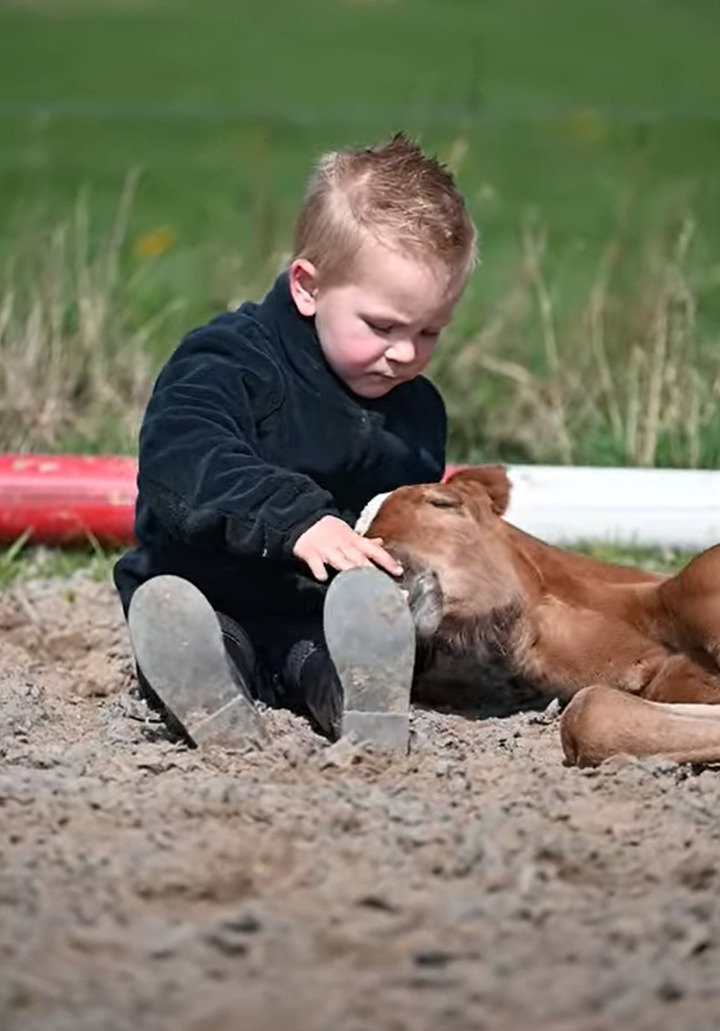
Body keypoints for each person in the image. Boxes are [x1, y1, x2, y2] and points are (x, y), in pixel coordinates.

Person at [114, 132, 477, 753]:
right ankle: (207, 693)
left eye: (430, 332)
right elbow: (184, 461)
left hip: (316, 618)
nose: (405, 353)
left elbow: (393, 524)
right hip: (210, 589)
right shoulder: (227, 361)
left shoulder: (417, 410)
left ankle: (362, 704)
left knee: (336, 649)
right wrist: (298, 520)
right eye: (382, 326)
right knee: (197, 631)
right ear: (308, 287)